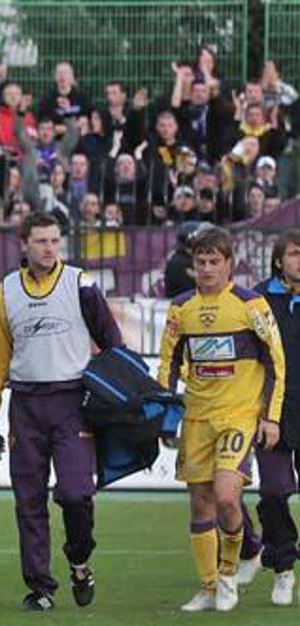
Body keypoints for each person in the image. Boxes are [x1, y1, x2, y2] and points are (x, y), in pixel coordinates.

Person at [0, 212, 124, 611]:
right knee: (28, 500)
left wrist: (122, 396)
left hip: (72, 402)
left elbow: (113, 344)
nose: (49, 248)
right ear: (24, 244)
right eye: (41, 241)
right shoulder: (7, 291)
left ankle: (79, 560)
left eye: (55, 240)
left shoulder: (80, 283)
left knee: (76, 494)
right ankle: (41, 588)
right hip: (25, 404)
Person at [157, 227, 285, 612]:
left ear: (230, 264)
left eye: (215, 261)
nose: (207, 268)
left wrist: (271, 418)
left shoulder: (251, 304)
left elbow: (276, 364)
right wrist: (164, 415)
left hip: (238, 416)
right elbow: (168, 364)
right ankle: (209, 587)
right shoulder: (181, 308)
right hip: (197, 417)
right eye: (201, 262)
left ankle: (229, 572)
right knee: (201, 503)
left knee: (227, 497)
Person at [231, 230, 300, 605]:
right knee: (273, 492)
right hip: (271, 413)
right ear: (278, 260)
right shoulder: (257, 300)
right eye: (294, 253)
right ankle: (283, 567)